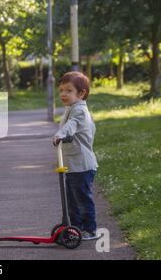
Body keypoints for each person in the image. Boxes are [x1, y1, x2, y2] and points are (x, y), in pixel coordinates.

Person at [53, 71, 100, 241]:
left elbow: (71, 126)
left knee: (81, 199)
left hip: (82, 165)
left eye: (68, 90)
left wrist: (60, 134)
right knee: (71, 200)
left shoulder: (79, 112)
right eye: (61, 90)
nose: (63, 94)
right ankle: (75, 228)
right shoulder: (71, 109)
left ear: (81, 93)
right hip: (73, 165)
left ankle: (90, 229)